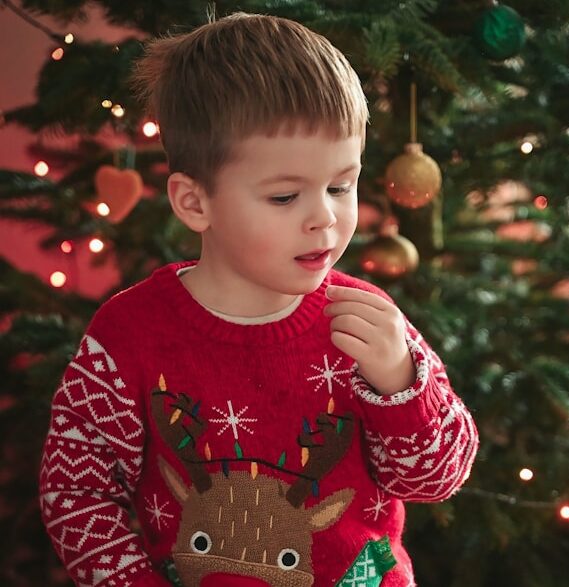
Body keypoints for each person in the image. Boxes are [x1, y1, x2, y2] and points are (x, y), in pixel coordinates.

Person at [39, 12, 478, 587]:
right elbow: (78, 492)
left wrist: (399, 385)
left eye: (341, 186)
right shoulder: (129, 333)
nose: (324, 215)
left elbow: (435, 481)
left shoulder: (368, 323)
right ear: (195, 203)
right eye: (285, 196)